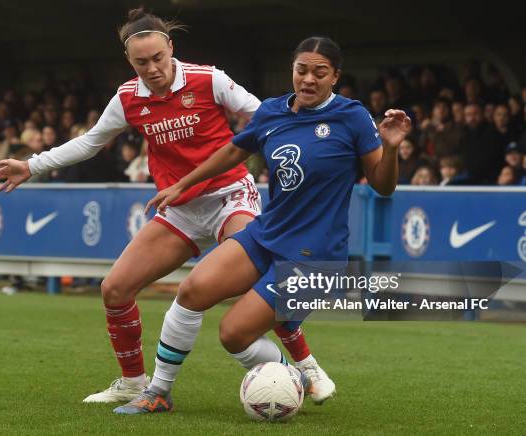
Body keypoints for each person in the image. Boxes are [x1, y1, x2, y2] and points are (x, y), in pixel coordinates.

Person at [0, 8, 325, 403]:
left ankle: (306, 366)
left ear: (171, 49)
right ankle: (132, 382)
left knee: (261, 275)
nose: (151, 68)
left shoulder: (209, 79)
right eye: (140, 62)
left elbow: (266, 116)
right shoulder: (128, 98)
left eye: (157, 58)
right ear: (130, 63)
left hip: (230, 195)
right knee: (114, 288)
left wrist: (320, 149)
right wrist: (33, 164)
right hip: (179, 207)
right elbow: (91, 141)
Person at [115, 36, 411, 414]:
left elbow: (384, 187)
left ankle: (291, 376)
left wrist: (390, 147)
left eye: (319, 73)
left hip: (316, 256)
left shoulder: (351, 117)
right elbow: (233, 151)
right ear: (292, 70)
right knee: (191, 292)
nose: (308, 79)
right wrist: (183, 184)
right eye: (301, 70)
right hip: (267, 233)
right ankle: (158, 392)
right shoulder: (272, 112)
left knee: (233, 334)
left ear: (335, 76)